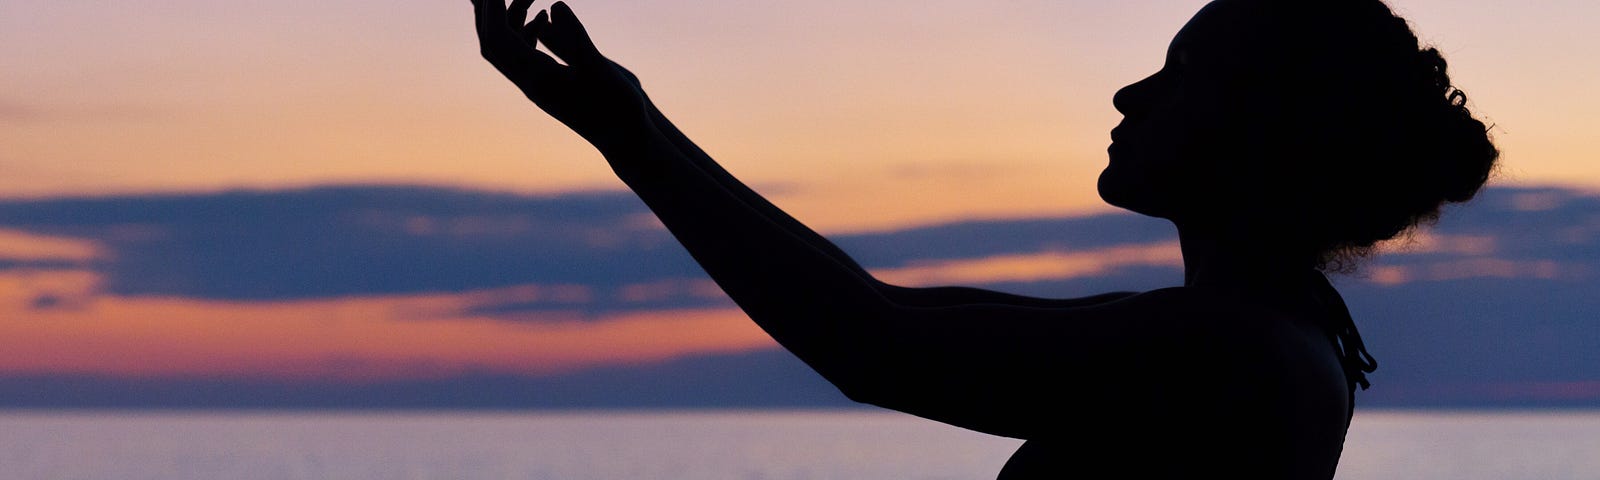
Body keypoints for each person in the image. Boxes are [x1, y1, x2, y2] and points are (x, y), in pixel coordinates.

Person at [470, 0, 1498, 477]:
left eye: (1179, 76)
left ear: (1258, 127)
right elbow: (888, 317)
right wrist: (634, 127)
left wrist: (630, 137)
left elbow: (872, 346)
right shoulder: (1260, 335)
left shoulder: (1230, 355)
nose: (1128, 91)